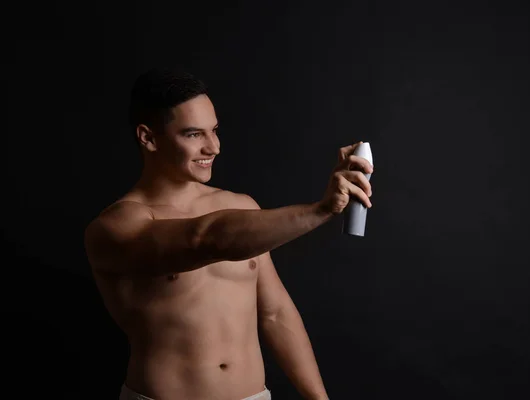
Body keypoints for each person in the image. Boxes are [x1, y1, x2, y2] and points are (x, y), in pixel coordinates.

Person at [84, 68, 374, 400]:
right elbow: (206, 239)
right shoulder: (117, 226)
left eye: (215, 131)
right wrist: (321, 210)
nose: (214, 147)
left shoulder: (243, 207)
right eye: (193, 134)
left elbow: (275, 312)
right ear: (148, 137)